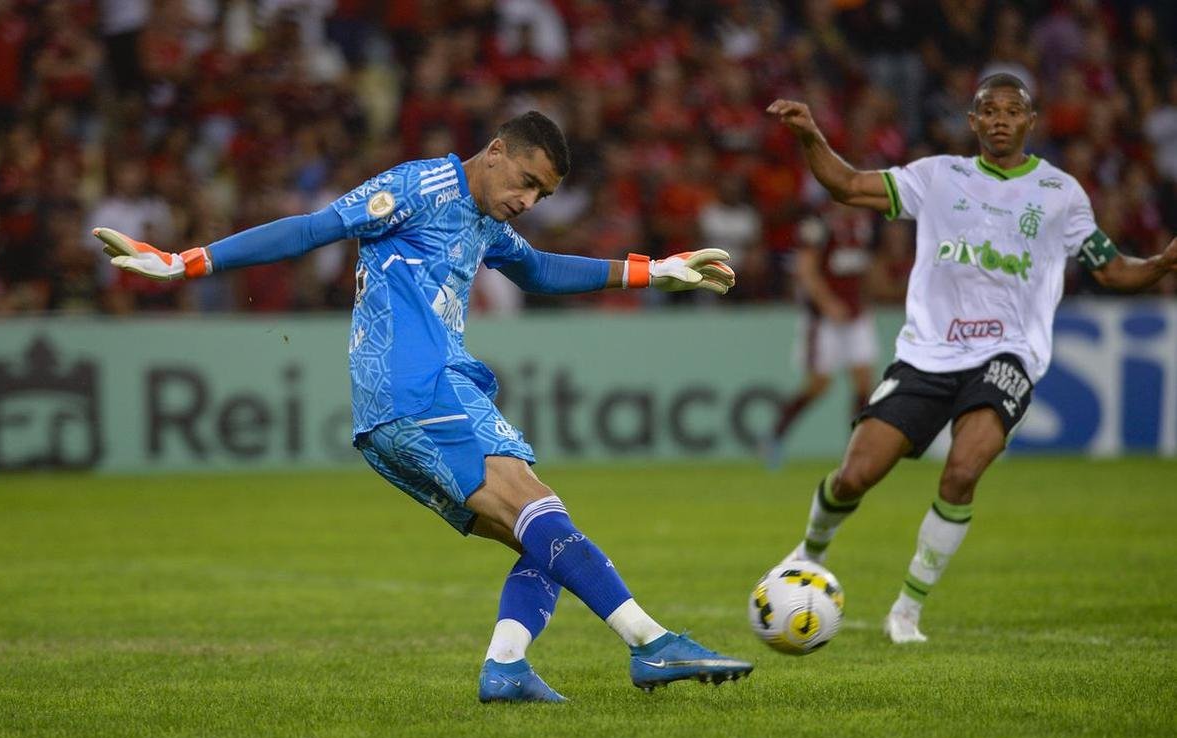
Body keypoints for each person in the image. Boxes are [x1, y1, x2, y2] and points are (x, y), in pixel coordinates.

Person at [92, 111, 751, 701]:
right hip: (419, 388)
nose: (526, 200)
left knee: (544, 534)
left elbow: (541, 270)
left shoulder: (486, 220)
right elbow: (312, 228)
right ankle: (649, 642)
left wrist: (656, 270)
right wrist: (186, 263)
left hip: (391, 413)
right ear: (494, 150)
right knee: (540, 516)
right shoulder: (419, 188)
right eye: (523, 181)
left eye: (540, 194)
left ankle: (507, 667)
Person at [767, 74, 1177, 643]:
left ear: (1031, 122)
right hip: (927, 354)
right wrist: (811, 136)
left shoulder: (1061, 194)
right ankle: (808, 552)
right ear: (973, 121)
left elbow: (1110, 268)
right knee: (856, 474)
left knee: (962, 471)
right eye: (989, 110)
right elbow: (848, 186)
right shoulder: (937, 176)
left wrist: (1159, 263)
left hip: (1008, 354)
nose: (1001, 119)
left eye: (1013, 110)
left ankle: (907, 610)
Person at [765, 202, 897, 467]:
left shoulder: (865, 224)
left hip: (857, 315)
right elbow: (806, 269)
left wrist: (872, 294)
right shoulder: (817, 226)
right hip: (824, 320)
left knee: (863, 383)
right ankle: (775, 436)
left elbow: (868, 266)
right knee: (818, 385)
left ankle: (857, 451)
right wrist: (828, 304)